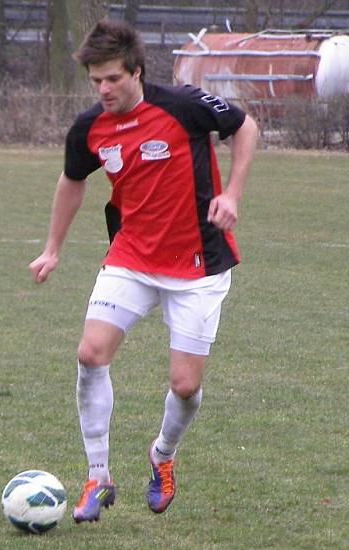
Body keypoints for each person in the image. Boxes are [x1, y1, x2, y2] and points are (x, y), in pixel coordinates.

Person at [29, 19, 258, 523]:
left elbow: (244, 127)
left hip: (199, 263)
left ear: (136, 71)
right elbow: (71, 181)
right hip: (131, 256)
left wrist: (232, 194)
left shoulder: (183, 106)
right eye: (95, 81)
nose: (103, 89)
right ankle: (98, 476)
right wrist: (52, 249)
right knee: (90, 353)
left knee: (184, 386)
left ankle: (162, 456)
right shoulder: (89, 128)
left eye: (112, 78)